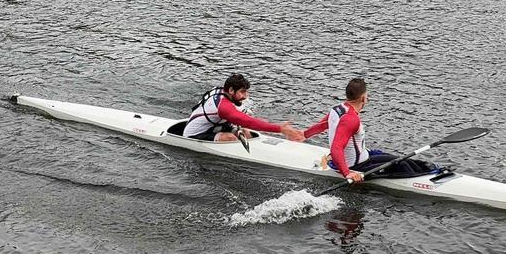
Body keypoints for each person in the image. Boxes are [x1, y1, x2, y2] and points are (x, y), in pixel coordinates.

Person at [304, 78, 436, 183]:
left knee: (402, 160)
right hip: (357, 166)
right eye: (367, 95)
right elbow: (336, 148)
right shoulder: (351, 119)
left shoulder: (337, 108)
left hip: (365, 157)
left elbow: (322, 125)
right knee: (403, 166)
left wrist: (304, 135)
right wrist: (347, 173)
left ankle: (434, 171)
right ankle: (427, 180)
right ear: (363, 98)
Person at [183, 74, 304, 143]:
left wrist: (276, 126)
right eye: (242, 92)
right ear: (231, 90)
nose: (245, 96)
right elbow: (249, 121)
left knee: (246, 132)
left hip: (214, 126)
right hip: (194, 135)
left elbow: (248, 120)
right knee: (230, 138)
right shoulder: (223, 107)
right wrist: (280, 129)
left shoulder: (225, 92)